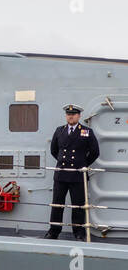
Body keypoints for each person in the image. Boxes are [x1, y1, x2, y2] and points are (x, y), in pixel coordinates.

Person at [46, 103, 101, 240]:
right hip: (61, 174)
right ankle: (54, 231)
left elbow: (95, 152)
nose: (70, 117)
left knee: (78, 205)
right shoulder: (59, 131)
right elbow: (54, 151)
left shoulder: (87, 132)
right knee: (57, 204)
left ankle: (78, 232)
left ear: (79, 116)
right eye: (68, 114)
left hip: (78, 175)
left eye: (73, 114)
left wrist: (82, 164)